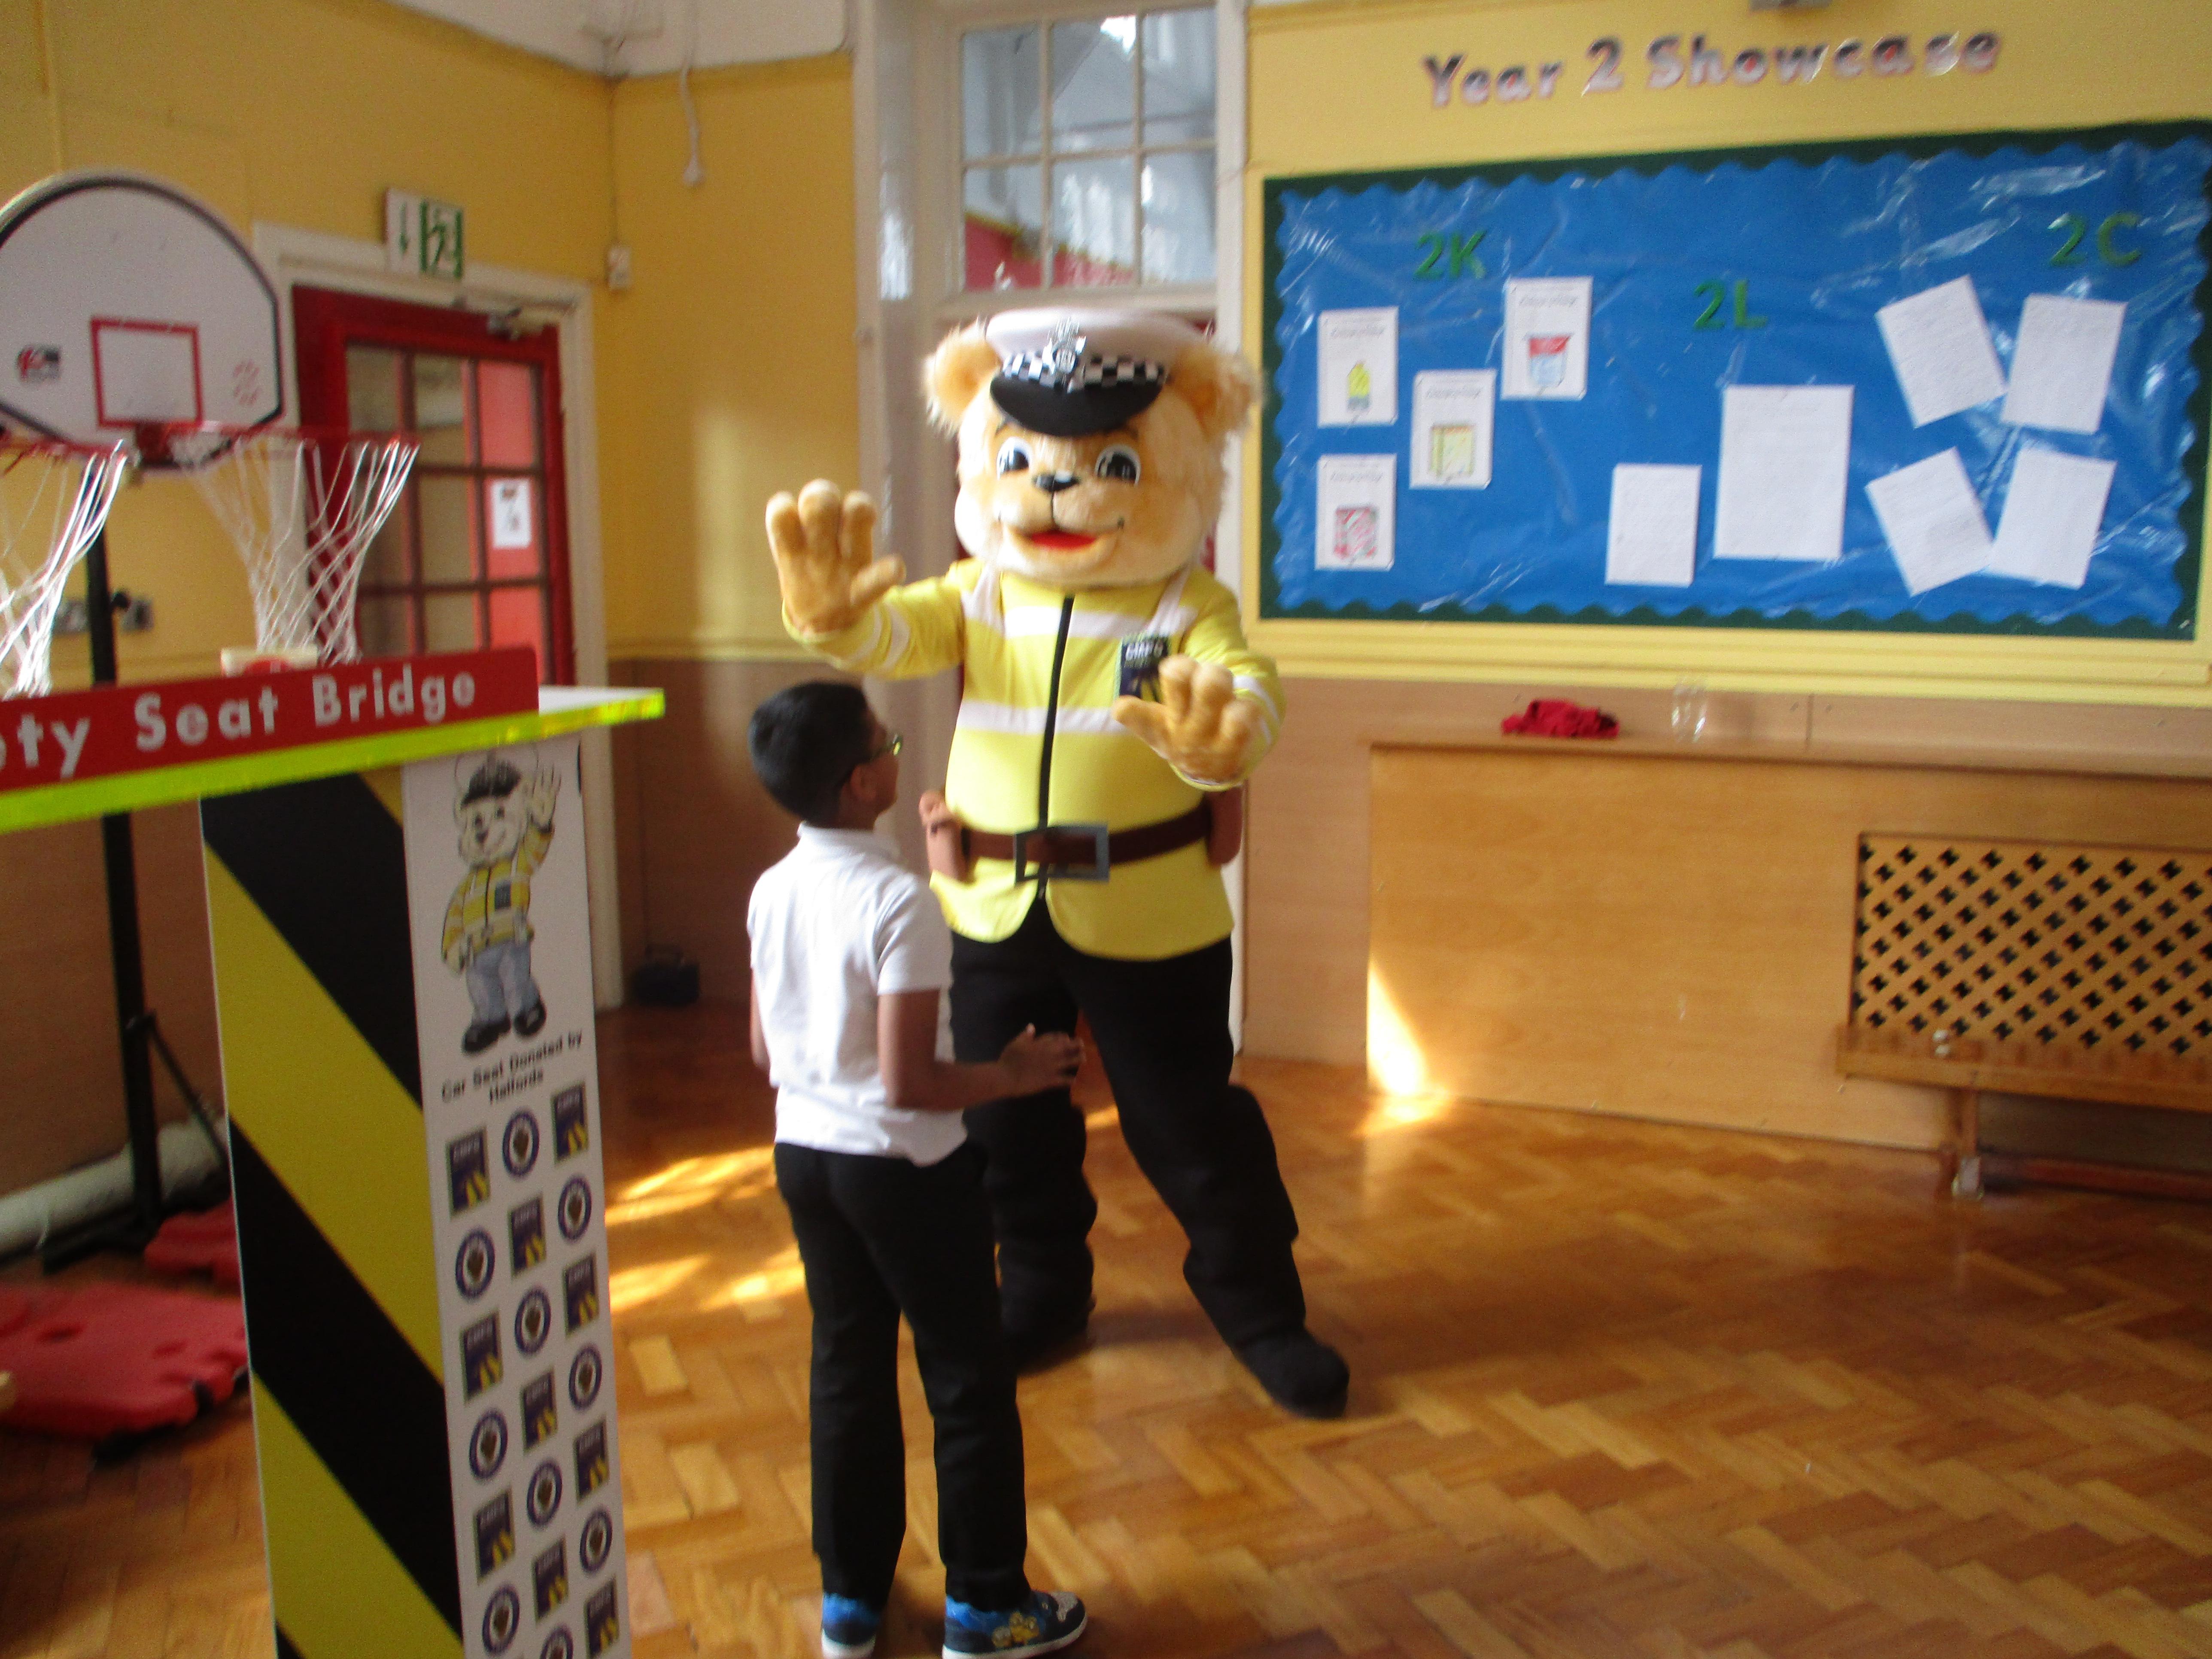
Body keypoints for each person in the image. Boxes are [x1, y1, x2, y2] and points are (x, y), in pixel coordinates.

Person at [746, 681, 1090, 1659]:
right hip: (903, 1172)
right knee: (967, 1379)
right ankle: (985, 1608)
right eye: (887, 743)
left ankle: (850, 1605)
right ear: (862, 784)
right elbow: (910, 1085)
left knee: (846, 1372)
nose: (898, 753)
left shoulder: (772, 890)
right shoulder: (901, 902)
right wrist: (1013, 1074)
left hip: (805, 1160)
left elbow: (767, 1054)